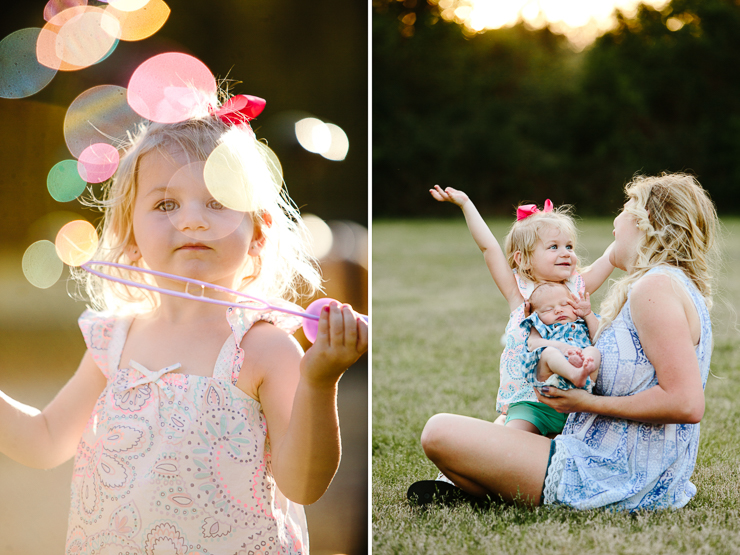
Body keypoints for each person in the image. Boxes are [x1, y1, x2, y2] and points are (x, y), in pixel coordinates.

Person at [0, 94, 367, 554]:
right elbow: (44, 440)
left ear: (258, 231)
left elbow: (303, 485)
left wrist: (320, 380)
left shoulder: (262, 349)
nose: (192, 220)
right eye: (166, 205)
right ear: (130, 235)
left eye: (217, 202)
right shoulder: (113, 341)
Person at [416, 173, 718, 510]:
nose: (615, 221)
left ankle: (477, 482)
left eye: (626, 207)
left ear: (646, 224)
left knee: (438, 432)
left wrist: (583, 402)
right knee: (496, 427)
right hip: (597, 449)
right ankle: (476, 483)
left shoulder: (653, 288)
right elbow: (492, 250)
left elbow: (687, 404)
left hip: (607, 472)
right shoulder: (664, 283)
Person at [429, 185, 613, 437]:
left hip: (576, 403)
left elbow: (610, 257)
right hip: (531, 401)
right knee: (509, 441)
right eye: (553, 247)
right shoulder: (520, 294)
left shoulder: (577, 289)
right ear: (522, 258)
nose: (566, 253)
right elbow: (489, 248)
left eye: (569, 247)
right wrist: (466, 203)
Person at [523, 281, 600, 393]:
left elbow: (600, 338)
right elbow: (532, 344)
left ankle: (583, 373)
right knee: (549, 352)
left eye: (565, 304)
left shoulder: (582, 322)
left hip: (585, 379)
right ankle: (574, 374)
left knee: (592, 350)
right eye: (548, 309)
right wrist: (562, 348)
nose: (558, 310)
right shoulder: (541, 327)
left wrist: (588, 315)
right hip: (552, 377)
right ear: (536, 316)